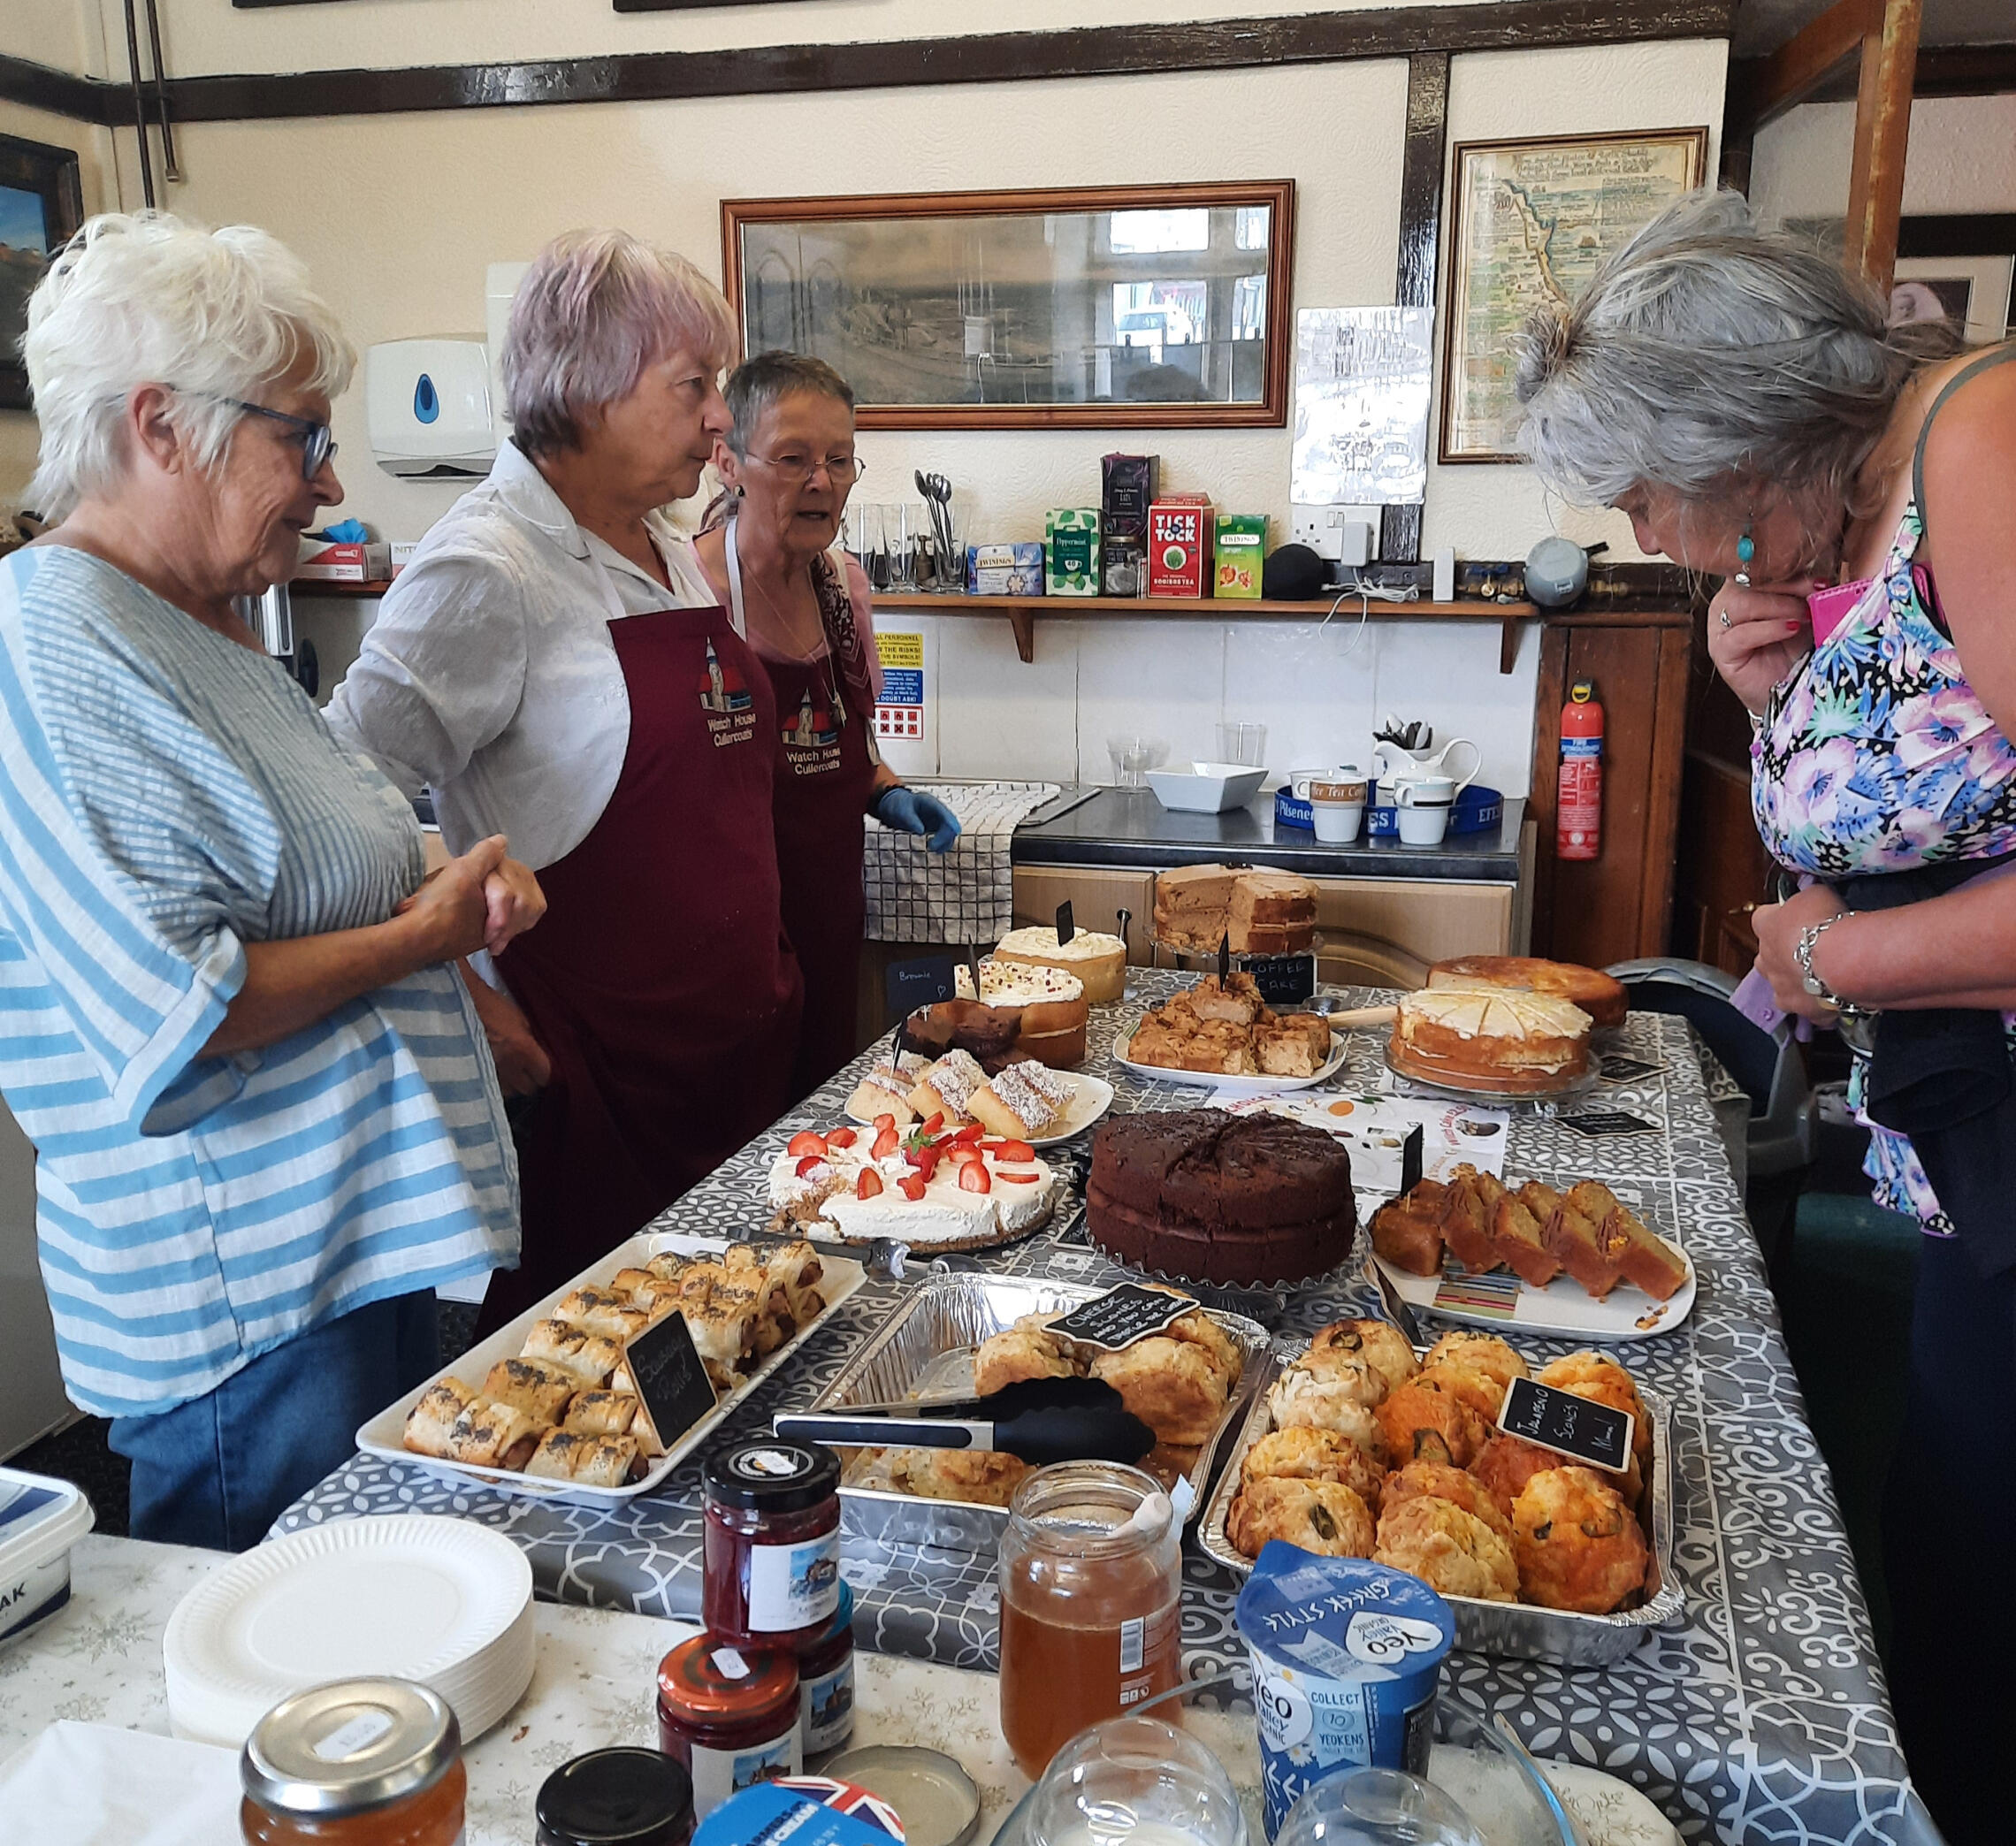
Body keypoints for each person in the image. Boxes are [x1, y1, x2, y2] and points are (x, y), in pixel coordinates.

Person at [1516, 188, 2016, 1844]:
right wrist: (1770, 696)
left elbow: (1886, 903)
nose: (1653, 534)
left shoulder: (1984, 447)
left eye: (1653, 492)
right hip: (1957, 1141)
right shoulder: (1858, 515)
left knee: (1984, 1602)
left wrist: (1836, 967)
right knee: (1945, 1558)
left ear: (1744, 435)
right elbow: (1932, 797)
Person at [8, 212, 540, 1548]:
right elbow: (181, 1003)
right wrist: (425, 937)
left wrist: (441, 877)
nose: (325, 476)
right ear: (161, 426)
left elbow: (309, 853)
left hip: (349, 1262)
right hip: (249, 1308)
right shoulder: (55, 644)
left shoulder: (207, 623)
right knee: (278, 1680)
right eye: (297, 436)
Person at [325, 232, 802, 1335]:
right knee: (607, 1391)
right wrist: (472, 1005)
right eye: (694, 387)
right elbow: (339, 802)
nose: (719, 417)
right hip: (598, 1078)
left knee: (740, 1358)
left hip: (721, 1055)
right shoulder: (484, 569)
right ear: (587, 384)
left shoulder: (669, 549)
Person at [694, 353, 960, 1100]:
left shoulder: (844, 588)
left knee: (825, 1126)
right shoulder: (688, 600)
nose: (822, 481)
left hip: (827, 918)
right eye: (793, 458)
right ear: (727, 462)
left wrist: (888, 792)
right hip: (732, 941)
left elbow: (852, 745)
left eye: (840, 460)